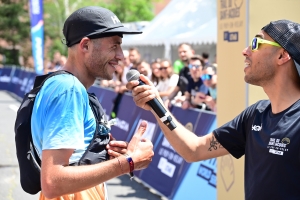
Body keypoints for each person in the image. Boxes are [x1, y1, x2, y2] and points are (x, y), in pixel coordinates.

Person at [127, 19, 300, 199]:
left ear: (282, 56)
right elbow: (194, 150)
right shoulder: (256, 114)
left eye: (256, 43)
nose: (245, 51)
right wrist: (156, 104)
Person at [31, 6, 154, 200]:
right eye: (114, 46)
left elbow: (73, 162)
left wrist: (104, 155)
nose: (121, 56)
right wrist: (129, 162)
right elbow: (53, 182)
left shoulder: (67, 86)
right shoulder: (68, 89)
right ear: (86, 45)